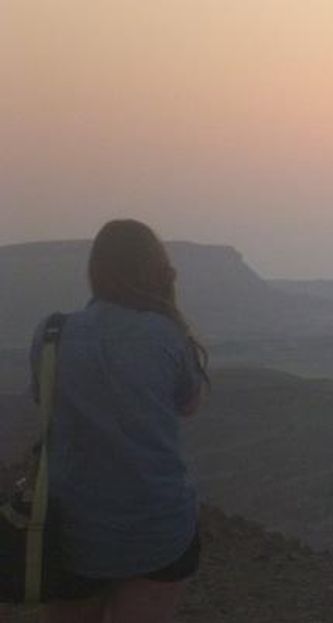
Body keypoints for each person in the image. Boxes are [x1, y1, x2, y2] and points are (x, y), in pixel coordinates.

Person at [32, 220, 208, 623]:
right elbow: (188, 404)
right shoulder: (167, 334)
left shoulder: (52, 332)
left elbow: (44, 400)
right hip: (157, 526)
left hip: (70, 527)